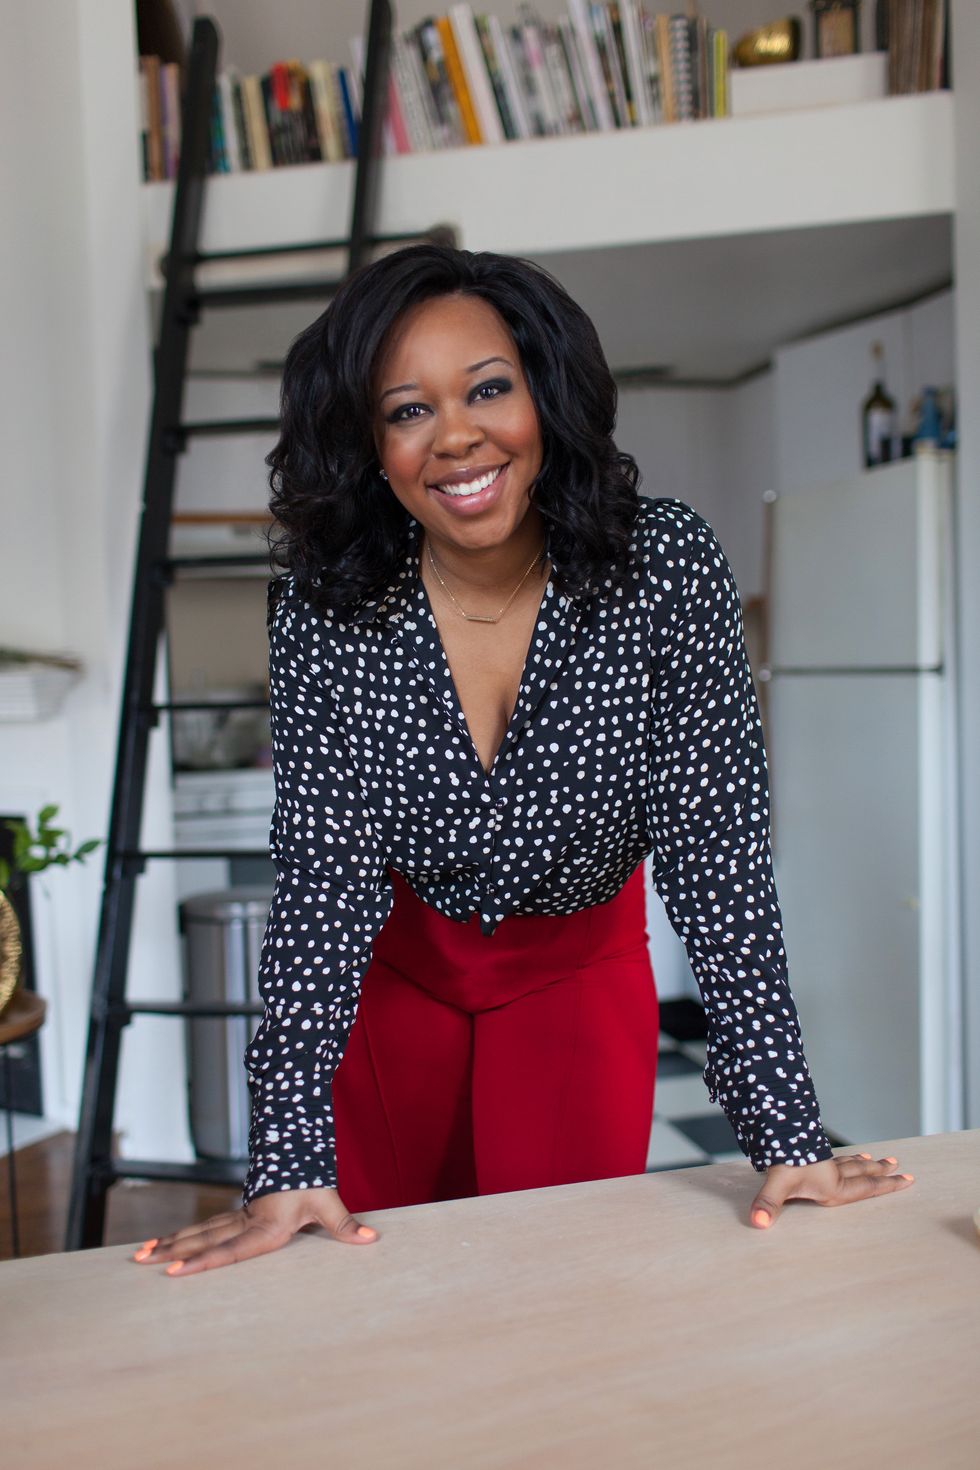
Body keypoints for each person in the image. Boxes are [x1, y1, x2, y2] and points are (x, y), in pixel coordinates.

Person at [134, 244, 914, 1277]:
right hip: (390, 997)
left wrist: (785, 1131)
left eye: (488, 389)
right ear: (369, 445)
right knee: (377, 1295)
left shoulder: (664, 569)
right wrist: (284, 1156)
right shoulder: (325, 609)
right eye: (407, 410)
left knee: (565, 1299)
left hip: (576, 994)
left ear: (546, 393)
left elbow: (715, 859)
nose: (456, 436)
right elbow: (323, 879)